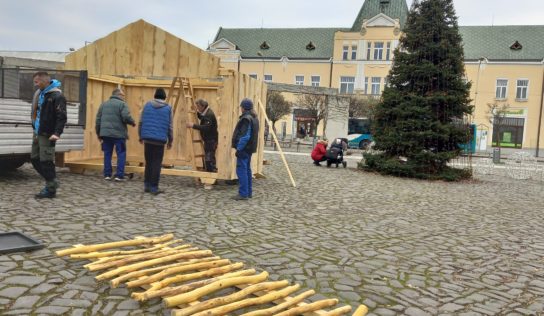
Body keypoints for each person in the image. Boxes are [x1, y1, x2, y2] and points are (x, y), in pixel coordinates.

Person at [30, 72, 67, 198]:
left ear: (45, 81)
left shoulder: (57, 95)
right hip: (38, 132)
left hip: (48, 133)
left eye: (37, 81)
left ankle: (51, 189)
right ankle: (53, 181)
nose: (35, 84)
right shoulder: (40, 93)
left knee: (46, 161)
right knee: (35, 159)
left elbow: (61, 116)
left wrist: (57, 133)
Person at [95, 88, 136, 181]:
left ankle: (107, 174)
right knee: (121, 153)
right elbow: (126, 117)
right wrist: (132, 122)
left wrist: (99, 133)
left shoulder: (103, 104)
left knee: (107, 154)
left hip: (105, 135)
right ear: (119, 95)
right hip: (119, 135)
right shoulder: (122, 104)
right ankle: (119, 175)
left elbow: (98, 120)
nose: (124, 97)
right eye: (123, 95)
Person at [138, 88, 173, 195]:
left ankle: (147, 185)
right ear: (164, 97)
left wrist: (140, 136)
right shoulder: (168, 108)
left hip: (147, 139)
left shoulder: (147, 105)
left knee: (148, 162)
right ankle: (154, 187)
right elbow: (170, 126)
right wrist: (170, 140)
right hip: (160, 141)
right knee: (156, 164)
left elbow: (141, 122)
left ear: (155, 96)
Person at [231, 98, 259, 200]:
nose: (240, 108)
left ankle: (243, 194)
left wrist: (238, 149)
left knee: (241, 171)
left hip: (244, 148)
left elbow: (245, 136)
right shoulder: (254, 118)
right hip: (250, 148)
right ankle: (248, 192)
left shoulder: (246, 119)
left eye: (241, 106)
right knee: (247, 170)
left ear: (243, 108)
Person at [186, 99, 218, 172]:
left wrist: (193, 125)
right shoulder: (206, 112)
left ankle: (210, 175)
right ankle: (209, 173)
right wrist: (196, 113)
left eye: (198, 106)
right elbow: (202, 118)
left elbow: (206, 128)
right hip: (209, 139)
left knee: (209, 158)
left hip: (211, 140)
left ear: (203, 106)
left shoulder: (209, 114)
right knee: (208, 157)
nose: (197, 108)